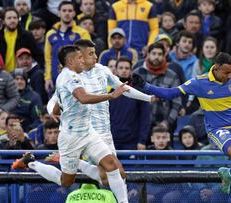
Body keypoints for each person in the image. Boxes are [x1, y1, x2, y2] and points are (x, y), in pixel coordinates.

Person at [132, 52, 231, 202]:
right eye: (226, 72)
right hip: (218, 129)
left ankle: (229, 173)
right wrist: (145, 86)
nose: (229, 76)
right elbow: (170, 93)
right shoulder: (199, 82)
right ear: (216, 67)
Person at [12, 45, 129, 203]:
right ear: (71, 61)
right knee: (66, 181)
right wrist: (111, 95)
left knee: (112, 165)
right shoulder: (70, 77)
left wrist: (57, 109)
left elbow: (57, 105)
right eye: (80, 58)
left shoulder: (72, 75)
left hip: (88, 132)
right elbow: (84, 98)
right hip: (72, 138)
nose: (83, 60)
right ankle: (31, 162)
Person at [44, 1, 91, 92]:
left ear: (74, 13)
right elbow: (48, 59)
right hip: (55, 80)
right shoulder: (50, 34)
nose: (67, 13)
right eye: (64, 10)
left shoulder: (82, 33)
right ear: (59, 13)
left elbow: (88, 56)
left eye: (70, 11)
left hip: (76, 81)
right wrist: (48, 78)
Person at [109, 57, 151, 150]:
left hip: (132, 142)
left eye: (127, 68)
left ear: (131, 71)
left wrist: (142, 140)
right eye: (121, 68)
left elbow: (145, 118)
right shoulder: (108, 93)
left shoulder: (139, 93)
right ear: (115, 70)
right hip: (111, 141)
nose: (124, 71)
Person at [0, 7, 44, 72]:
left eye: (15, 18)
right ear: (3, 21)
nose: (12, 20)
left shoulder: (27, 35)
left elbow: (38, 55)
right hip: (1, 74)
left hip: (21, 75)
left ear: (18, 20)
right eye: (9, 18)